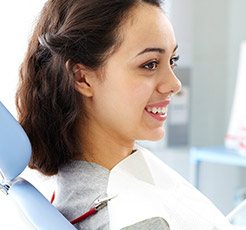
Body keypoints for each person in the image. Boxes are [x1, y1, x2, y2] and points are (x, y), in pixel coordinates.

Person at [16, 0, 233, 229]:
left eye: (172, 61)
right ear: (82, 78)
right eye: (150, 64)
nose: (174, 84)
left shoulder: (74, 185)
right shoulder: (136, 219)